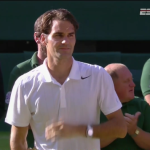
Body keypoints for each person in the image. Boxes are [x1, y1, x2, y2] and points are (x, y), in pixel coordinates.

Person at [5, 9, 127, 150]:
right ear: (43, 39)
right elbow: (18, 141)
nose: (66, 41)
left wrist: (80, 131)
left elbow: (120, 128)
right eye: (58, 35)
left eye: (71, 35)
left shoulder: (97, 75)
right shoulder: (24, 83)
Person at [5, 14, 47, 148]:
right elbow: (13, 113)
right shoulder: (19, 71)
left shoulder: (73, 70)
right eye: (54, 35)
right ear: (37, 38)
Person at [100, 63, 150, 150]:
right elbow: (86, 144)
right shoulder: (94, 108)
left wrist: (134, 130)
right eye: (127, 81)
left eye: (132, 79)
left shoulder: (142, 106)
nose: (133, 85)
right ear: (110, 85)